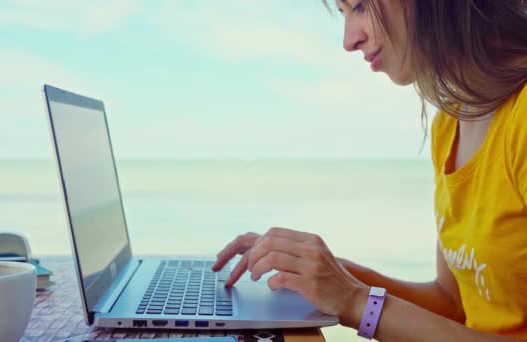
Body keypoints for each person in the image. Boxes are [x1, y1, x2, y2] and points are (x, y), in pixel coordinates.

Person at [212, 1, 527, 340]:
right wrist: (321, 273)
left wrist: (356, 301)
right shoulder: (450, 124)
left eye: (359, 6)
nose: (349, 40)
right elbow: (452, 303)